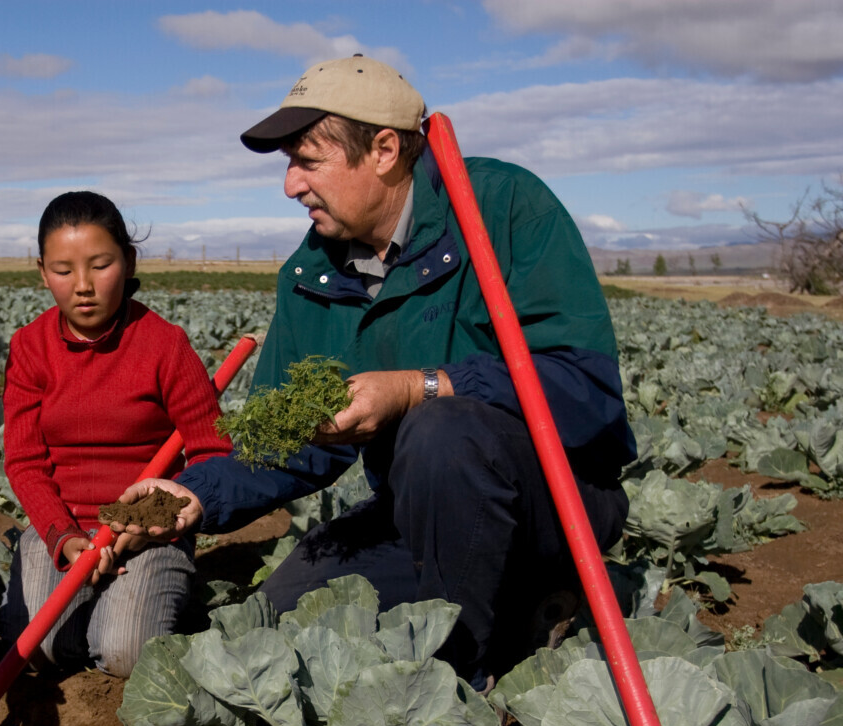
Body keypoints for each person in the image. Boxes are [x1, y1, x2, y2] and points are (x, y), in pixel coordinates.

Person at [105, 56, 634, 689]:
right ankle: (523, 605)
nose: (291, 185)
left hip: (557, 499)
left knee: (441, 432)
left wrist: (419, 388)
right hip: (423, 511)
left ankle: (456, 683)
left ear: (383, 150)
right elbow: (286, 448)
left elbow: (586, 386)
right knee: (286, 609)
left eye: (308, 160)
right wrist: (195, 494)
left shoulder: (503, 207)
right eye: (288, 165)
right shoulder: (313, 271)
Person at [0, 191, 232, 678]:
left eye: (100, 265)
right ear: (43, 272)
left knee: (127, 656)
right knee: (37, 651)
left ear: (127, 261)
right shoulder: (30, 347)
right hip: (59, 529)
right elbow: (23, 461)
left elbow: (212, 451)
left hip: (144, 533)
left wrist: (145, 524)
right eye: (63, 271)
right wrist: (63, 538)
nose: (82, 286)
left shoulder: (165, 345)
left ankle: (152, 595)